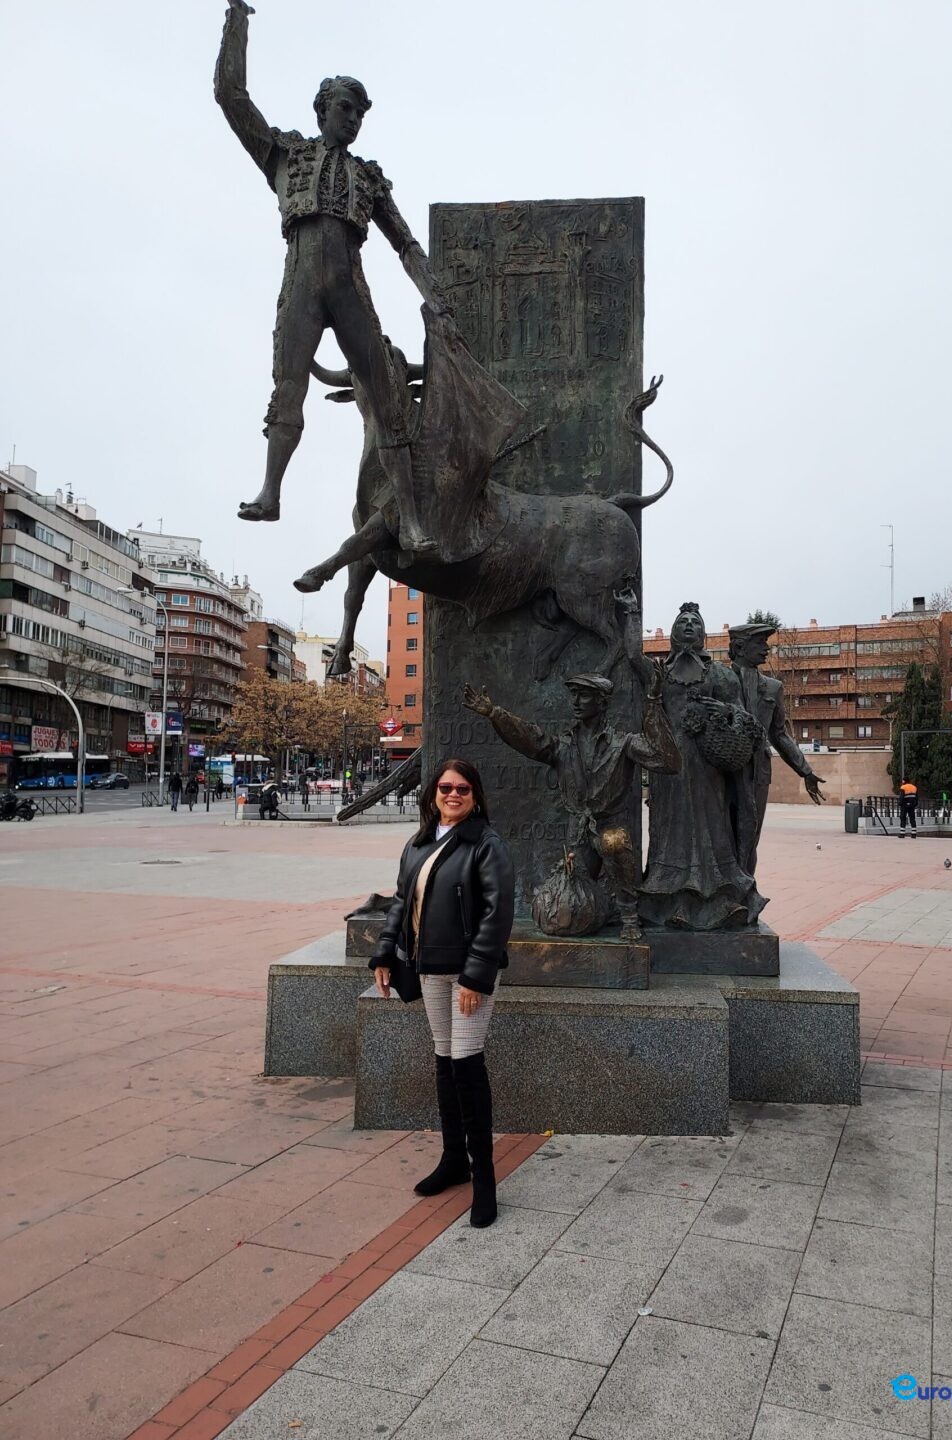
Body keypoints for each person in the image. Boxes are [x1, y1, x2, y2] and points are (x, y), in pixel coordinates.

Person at [214, 0, 447, 551]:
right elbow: (231, 98)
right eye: (346, 108)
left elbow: (406, 244)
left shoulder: (370, 178)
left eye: (360, 113)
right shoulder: (285, 154)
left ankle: (412, 521)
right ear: (323, 110)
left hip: (349, 286)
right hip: (300, 281)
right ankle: (271, 492)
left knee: (389, 402)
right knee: (287, 387)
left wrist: (435, 297)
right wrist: (237, 20)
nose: (353, 119)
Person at [370, 758, 513, 1227]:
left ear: (475, 796)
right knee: (445, 1060)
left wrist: (475, 977)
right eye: (446, 787)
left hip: (466, 976)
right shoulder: (417, 844)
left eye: (463, 789)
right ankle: (455, 1160)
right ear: (434, 792)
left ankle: (485, 1179)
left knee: (468, 1067)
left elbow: (497, 915)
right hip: (430, 969)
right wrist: (385, 954)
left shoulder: (485, 844)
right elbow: (399, 902)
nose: (454, 795)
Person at [464, 673, 680, 941]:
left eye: (584, 695)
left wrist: (654, 702)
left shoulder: (622, 743)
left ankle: (629, 916)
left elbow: (667, 762)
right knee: (569, 900)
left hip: (610, 825)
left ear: (602, 702)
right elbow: (530, 740)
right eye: (574, 695)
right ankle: (601, 908)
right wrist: (495, 714)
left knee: (614, 842)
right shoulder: (565, 744)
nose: (576, 702)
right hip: (578, 830)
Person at [638, 602, 766, 928]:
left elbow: (746, 721)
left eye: (696, 621)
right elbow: (630, 658)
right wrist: (628, 615)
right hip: (668, 769)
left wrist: (724, 711)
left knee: (712, 829)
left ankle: (722, 901)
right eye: (683, 621)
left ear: (704, 635)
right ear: (673, 632)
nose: (690, 625)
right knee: (669, 832)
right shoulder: (659, 674)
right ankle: (668, 902)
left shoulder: (721, 675)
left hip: (708, 767)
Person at [728, 622, 825, 872]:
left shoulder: (773, 688)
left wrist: (805, 770)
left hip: (758, 771)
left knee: (750, 838)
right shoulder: (720, 681)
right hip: (724, 770)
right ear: (739, 646)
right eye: (759, 643)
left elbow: (779, 735)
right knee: (723, 837)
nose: (766, 649)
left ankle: (747, 894)